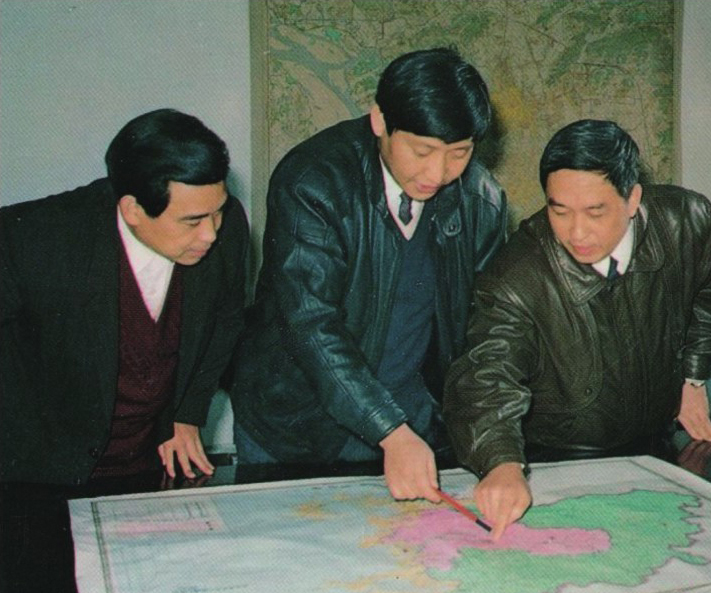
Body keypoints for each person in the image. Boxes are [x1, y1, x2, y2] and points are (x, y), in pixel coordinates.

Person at [230, 47, 508, 503]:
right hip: (298, 426)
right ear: (379, 120)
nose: (438, 173)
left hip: (411, 422)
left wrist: (498, 451)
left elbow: (487, 335)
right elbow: (310, 324)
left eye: (459, 153)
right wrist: (389, 430)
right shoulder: (314, 181)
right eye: (422, 151)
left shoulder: (481, 200)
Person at [444, 119, 711, 538]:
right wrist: (501, 462)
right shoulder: (517, 274)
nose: (576, 232)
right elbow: (486, 373)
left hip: (657, 448)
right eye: (559, 211)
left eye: (595, 212)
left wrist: (694, 376)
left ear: (632, 198)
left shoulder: (688, 222)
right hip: (558, 459)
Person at [0, 108, 248, 591]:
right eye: (193, 220)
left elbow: (226, 317)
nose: (212, 233)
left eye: (217, 212)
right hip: (37, 476)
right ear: (132, 209)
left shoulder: (226, 223)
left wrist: (187, 411)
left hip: (146, 470)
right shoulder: (34, 238)